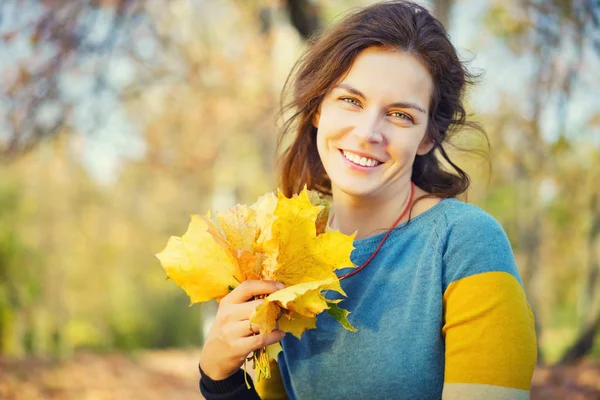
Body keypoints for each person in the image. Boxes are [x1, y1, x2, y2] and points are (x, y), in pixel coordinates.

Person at [198, 1, 537, 399]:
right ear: (318, 109)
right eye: (351, 101)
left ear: (428, 137)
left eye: (400, 115)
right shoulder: (278, 251)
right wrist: (219, 378)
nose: (367, 132)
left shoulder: (464, 243)